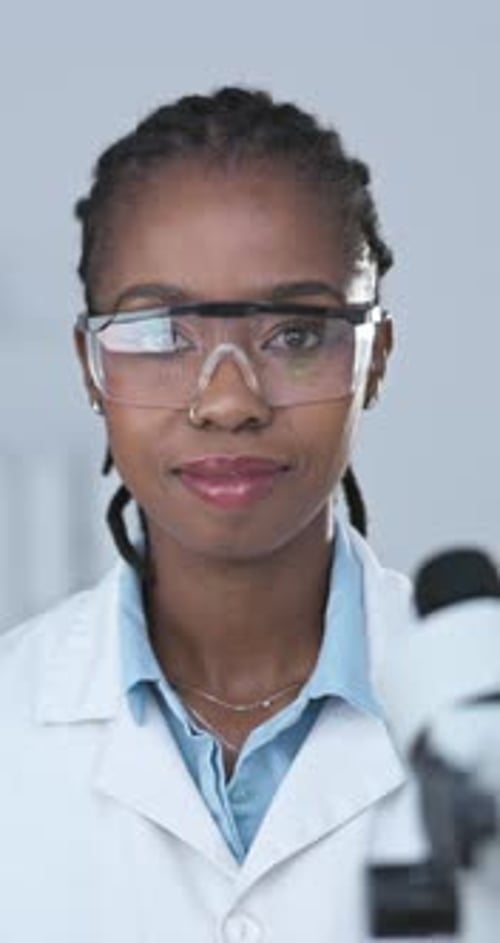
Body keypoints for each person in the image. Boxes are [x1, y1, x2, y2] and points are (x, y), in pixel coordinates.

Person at [0, 87, 423, 942]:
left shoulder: (466, 708)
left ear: (374, 357)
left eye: (296, 333)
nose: (229, 401)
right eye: (161, 332)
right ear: (91, 366)